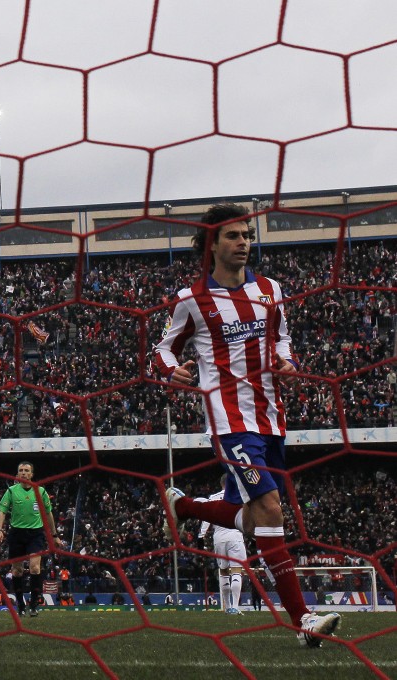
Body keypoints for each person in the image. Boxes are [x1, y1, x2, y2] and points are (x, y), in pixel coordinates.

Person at [154, 203, 340, 648]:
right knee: (272, 508)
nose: (243, 243)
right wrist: (170, 370)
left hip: (270, 418)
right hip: (230, 421)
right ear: (211, 244)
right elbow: (161, 350)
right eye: (234, 236)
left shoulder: (271, 290)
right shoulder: (190, 301)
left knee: (256, 522)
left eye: (248, 235)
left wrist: (288, 361)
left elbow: (281, 338)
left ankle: (185, 507)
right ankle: (303, 621)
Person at [0, 462, 63, 617]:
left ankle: (34, 603)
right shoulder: (11, 491)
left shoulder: (41, 492)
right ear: (17, 475)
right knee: (17, 571)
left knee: (35, 568)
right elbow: (2, 511)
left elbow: (48, 514)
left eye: (26, 471)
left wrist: (54, 535)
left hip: (35, 534)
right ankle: (20, 604)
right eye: (21, 471)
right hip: (16, 534)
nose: (23, 473)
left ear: (32, 474)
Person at [196, 475, 247, 615]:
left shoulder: (212, 498)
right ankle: (235, 608)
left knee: (223, 571)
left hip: (218, 538)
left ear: (221, 483)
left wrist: (201, 537)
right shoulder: (238, 496)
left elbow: (206, 517)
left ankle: (227, 607)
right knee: (236, 570)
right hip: (235, 535)